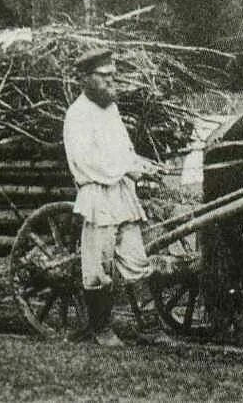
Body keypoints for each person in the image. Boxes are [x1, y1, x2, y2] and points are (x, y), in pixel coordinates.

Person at [63, 48, 160, 346]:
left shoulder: (111, 110)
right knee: (98, 265)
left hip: (121, 195)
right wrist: (130, 169)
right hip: (97, 196)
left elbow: (124, 150)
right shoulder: (77, 115)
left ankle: (150, 327)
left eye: (112, 76)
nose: (110, 82)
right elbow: (87, 162)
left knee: (136, 259)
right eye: (104, 76)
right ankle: (101, 328)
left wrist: (141, 164)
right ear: (86, 79)